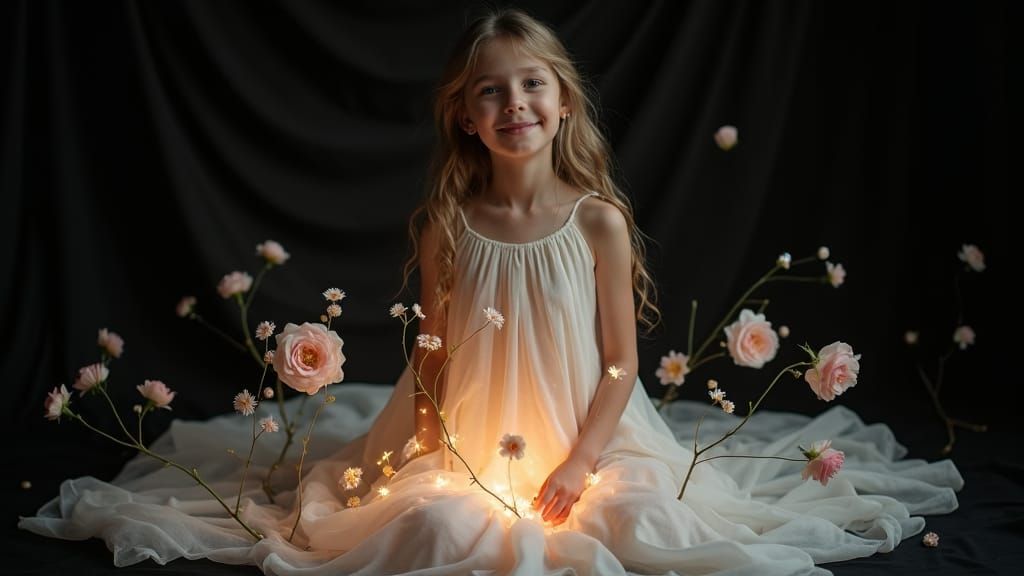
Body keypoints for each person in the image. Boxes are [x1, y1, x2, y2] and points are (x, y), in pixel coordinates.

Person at [20, 8, 962, 576]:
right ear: (465, 119)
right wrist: (431, 448)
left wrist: (577, 463)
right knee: (431, 524)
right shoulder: (449, 224)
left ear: (563, 100)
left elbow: (620, 364)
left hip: (588, 435)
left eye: (532, 85)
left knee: (641, 524)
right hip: (474, 433)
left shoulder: (597, 221)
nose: (515, 105)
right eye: (490, 93)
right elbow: (433, 352)